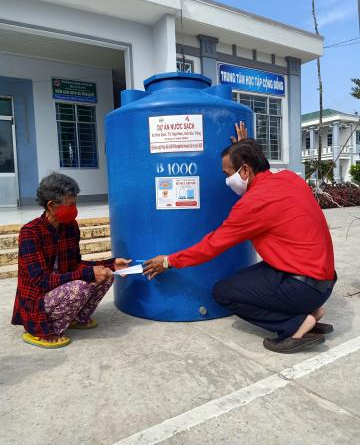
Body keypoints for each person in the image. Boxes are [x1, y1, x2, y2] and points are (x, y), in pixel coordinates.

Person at [143, 138, 336, 353]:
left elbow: (212, 245)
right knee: (246, 278)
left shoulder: (254, 203)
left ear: (245, 170)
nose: (227, 180)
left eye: (227, 174)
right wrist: (243, 144)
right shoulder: (290, 178)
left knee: (224, 292)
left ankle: (294, 326)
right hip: (323, 280)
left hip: (303, 286)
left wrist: (169, 261)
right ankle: (310, 311)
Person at [11, 172, 131, 349]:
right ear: (51, 205)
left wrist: (110, 264)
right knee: (80, 287)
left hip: (60, 288)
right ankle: (39, 330)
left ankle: (76, 318)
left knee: (107, 275)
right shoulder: (30, 232)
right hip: (37, 299)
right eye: (71, 204)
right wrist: (89, 273)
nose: (75, 209)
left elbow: (75, 264)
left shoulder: (70, 227)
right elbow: (41, 281)